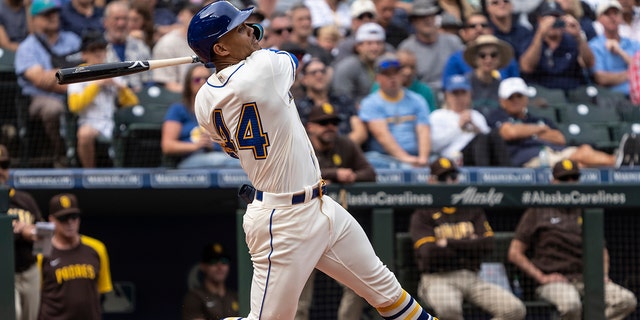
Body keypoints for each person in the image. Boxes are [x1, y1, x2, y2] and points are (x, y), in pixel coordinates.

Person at [187, 2, 436, 320]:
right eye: (240, 28)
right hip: (283, 219)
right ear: (220, 46)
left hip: (321, 207)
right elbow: (291, 56)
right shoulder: (264, 68)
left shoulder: (203, 99)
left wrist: (231, 51)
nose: (251, 29)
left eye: (249, 24)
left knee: (388, 294)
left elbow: (232, 147)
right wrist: (255, 41)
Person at [508, 158, 638, 320]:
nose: (569, 182)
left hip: (586, 279)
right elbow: (514, 253)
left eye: (574, 178)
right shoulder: (538, 209)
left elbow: (601, 250)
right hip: (555, 281)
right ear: (553, 181)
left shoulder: (585, 208)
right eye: (563, 179)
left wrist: (602, 275)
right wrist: (541, 277)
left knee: (626, 300)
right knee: (571, 306)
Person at [410, 157, 526, 320]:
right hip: (437, 278)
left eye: (453, 177)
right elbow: (429, 253)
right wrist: (469, 243)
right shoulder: (422, 213)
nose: (450, 182)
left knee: (514, 309)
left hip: (472, 277)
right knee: (448, 308)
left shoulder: (471, 208)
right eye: (443, 179)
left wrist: (448, 243)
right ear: (431, 180)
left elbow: (487, 245)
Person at [296, 104, 377, 320]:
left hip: (334, 232)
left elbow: (370, 172)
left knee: (358, 285)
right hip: (303, 230)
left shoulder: (345, 145)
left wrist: (348, 176)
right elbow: (295, 174)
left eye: (334, 122)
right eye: (324, 123)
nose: (330, 127)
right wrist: (333, 173)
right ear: (310, 127)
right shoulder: (299, 145)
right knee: (298, 298)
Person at [486, 77, 636, 167]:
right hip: (529, 160)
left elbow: (560, 138)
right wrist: (539, 130)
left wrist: (526, 131)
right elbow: (510, 132)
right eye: (510, 98)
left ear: (526, 98)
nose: (515, 101)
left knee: (583, 158)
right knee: (580, 157)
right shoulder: (497, 115)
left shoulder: (538, 118)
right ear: (502, 101)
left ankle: (619, 162)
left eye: (519, 96)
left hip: (555, 153)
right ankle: (617, 161)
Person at [14, 0, 82, 168]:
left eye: (55, 13)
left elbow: (87, 70)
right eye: (47, 14)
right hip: (39, 98)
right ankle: (62, 156)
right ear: (34, 19)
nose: (53, 17)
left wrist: (54, 75)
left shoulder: (72, 40)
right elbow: (40, 80)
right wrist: (69, 69)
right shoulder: (27, 47)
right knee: (54, 109)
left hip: (74, 94)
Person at [68, 30, 139, 168]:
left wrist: (120, 88)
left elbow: (132, 103)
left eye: (101, 49)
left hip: (112, 122)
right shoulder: (77, 74)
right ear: (84, 54)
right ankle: (90, 173)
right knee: (84, 134)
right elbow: (74, 106)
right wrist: (97, 85)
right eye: (93, 50)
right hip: (89, 122)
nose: (98, 53)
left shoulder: (111, 70)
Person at [38, 193, 113, 320]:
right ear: (52, 220)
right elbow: (36, 296)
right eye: (63, 218)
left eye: (74, 217)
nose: (70, 222)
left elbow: (100, 290)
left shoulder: (97, 248)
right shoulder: (41, 253)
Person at [161, 64, 241, 169]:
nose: (203, 82)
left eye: (207, 79)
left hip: (220, 156)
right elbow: (167, 146)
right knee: (233, 163)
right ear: (189, 84)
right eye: (197, 80)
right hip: (190, 158)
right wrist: (196, 145)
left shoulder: (220, 109)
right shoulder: (178, 109)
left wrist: (217, 144)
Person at [359, 52, 432, 169]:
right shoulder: (370, 103)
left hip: (417, 157)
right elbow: (382, 135)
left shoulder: (417, 100)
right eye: (387, 74)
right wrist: (407, 160)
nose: (392, 77)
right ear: (377, 78)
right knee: (369, 159)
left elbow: (424, 130)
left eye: (396, 72)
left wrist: (423, 159)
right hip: (385, 158)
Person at [0, 144, 44, 320]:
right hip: (4, 274)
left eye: (4, 166)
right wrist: (19, 232)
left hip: (29, 270)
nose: (1, 171)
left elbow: (43, 236)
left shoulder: (24, 199)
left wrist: (32, 232)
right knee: (12, 314)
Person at [430, 75, 512, 166]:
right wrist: (458, 128)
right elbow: (433, 146)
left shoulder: (476, 115)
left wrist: (476, 129)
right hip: (453, 158)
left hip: (479, 155)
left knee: (493, 135)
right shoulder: (438, 116)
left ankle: (509, 173)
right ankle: (482, 174)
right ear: (446, 96)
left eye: (463, 93)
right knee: (480, 139)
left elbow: (490, 141)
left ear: (470, 95)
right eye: (455, 93)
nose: (460, 98)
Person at [519, 1, 595, 91]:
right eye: (548, 18)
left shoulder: (571, 40)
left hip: (571, 90)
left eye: (557, 17)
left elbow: (589, 63)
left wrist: (578, 35)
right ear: (540, 20)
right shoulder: (531, 39)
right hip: (542, 91)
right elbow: (526, 67)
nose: (553, 22)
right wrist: (540, 34)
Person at [296, 58, 368, 146]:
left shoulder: (343, 100)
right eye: (313, 72)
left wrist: (339, 150)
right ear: (304, 79)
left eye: (323, 71)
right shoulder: (298, 107)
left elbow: (360, 133)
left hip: (348, 152)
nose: (319, 75)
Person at [398, 0, 464, 94]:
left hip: (453, 93)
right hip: (423, 96)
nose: (427, 20)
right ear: (414, 22)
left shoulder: (453, 42)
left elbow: (465, 71)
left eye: (431, 15)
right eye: (422, 17)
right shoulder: (407, 48)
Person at [441, 11, 520, 87]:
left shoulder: (505, 57)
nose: (479, 29)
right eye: (472, 26)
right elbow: (448, 89)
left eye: (484, 25)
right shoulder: (455, 59)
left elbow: (516, 86)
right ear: (464, 33)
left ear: (491, 31)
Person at [588, 0, 640, 96]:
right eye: (607, 14)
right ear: (599, 19)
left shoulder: (632, 43)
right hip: (611, 99)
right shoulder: (594, 46)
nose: (612, 17)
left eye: (616, 13)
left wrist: (620, 52)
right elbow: (601, 78)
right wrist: (632, 73)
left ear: (621, 17)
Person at [331, 22, 388, 104]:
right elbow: (343, 98)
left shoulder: (387, 66)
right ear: (358, 46)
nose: (375, 48)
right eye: (369, 43)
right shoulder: (348, 67)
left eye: (378, 43)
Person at [152, 4, 202, 93]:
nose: (195, 19)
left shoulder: (208, 42)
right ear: (180, 16)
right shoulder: (167, 43)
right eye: (192, 14)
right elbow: (169, 85)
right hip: (178, 97)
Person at [103, 0, 152, 92]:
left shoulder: (140, 46)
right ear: (105, 22)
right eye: (116, 19)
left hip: (139, 99)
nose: (121, 24)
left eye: (124, 18)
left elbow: (148, 80)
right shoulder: (97, 49)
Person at [182, 242, 240, 320]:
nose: (220, 267)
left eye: (224, 261)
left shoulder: (235, 296)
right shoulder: (195, 297)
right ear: (203, 266)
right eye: (213, 261)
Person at [371, 49, 439, 111]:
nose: (408, 72)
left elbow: (429, 117)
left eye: (412, 67)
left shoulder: (425, 90)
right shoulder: (379, 86)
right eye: (403, 66)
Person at [462, 34, 514, 105]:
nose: (488, 60)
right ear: (475, 59)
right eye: (482, 55)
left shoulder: (501, 86)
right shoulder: (464, 84)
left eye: (493, 55)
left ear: (499, 59)